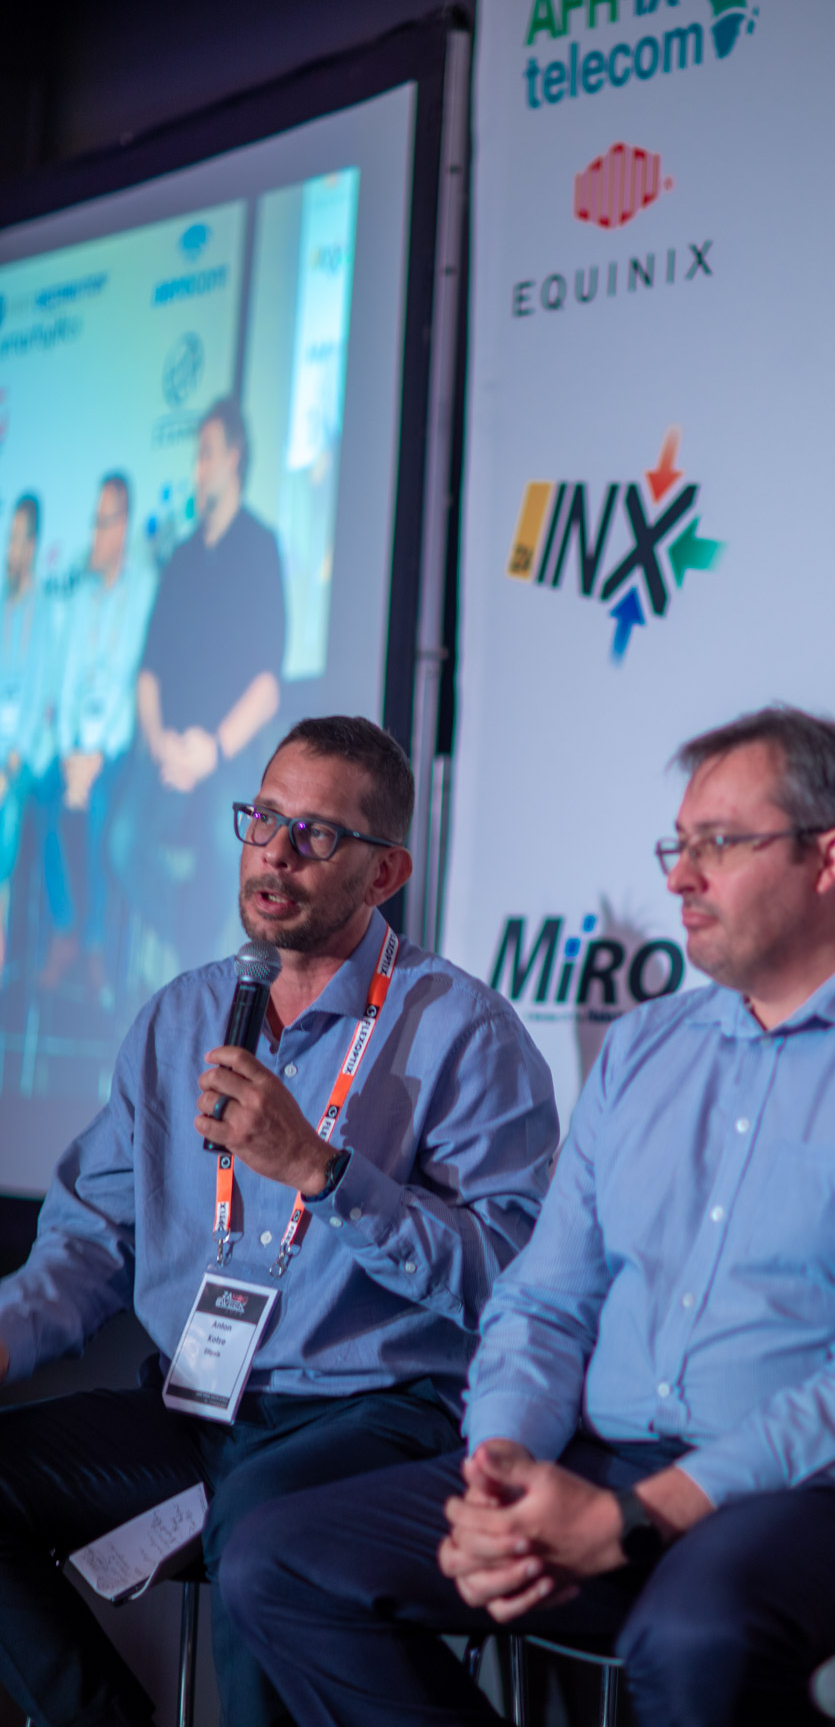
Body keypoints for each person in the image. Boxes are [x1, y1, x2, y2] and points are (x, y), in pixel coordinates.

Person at [222, 705, 835, 1727]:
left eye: (718, 845)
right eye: (678, 845)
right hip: (614, 1466)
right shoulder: (646, 1048)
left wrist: (631, 1519)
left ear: (829, 859)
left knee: (693, 1631)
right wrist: (502, 1469)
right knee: (277, 1560)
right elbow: (545, 1302)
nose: (680, 878)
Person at [0, 713, 558, 1727]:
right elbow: (89, 1241)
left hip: (372, 1416)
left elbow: (510, 1279)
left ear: (385, 874)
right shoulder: (180, 1017)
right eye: (263, 819)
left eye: (317, 835)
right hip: (195, 1408)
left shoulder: (465, 1033)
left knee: (264, 1533)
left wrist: (322, 1171)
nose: (276, 854)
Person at [110, 396, 286, 969]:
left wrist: (209, 750)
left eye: (207, 454)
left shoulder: (260, 548)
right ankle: (194, 949)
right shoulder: (181, 559)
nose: (198, 468)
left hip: (223, 753)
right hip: (168, 754)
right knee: (124, 839)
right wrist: (161, 742)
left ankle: (202, 960)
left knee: (221, 834)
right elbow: (148, 673)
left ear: (234, 457)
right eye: (196, 457)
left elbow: (267, 686)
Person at [37, 473, 155, 995]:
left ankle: (95, 944)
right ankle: (65, 929)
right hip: (75, 750)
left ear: (123, 526)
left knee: (102, 812)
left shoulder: (142, 588)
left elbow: (132, 680)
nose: (95, 534)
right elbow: (65, 682)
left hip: (115, 747)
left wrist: (96, 757)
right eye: (94, 522)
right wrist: (69, 756)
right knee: (42, 798)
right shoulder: (82, 595)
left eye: (104, 523)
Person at [0, 493, 54, 974]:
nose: (9, 549)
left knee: (10, 802)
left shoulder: (45, 611)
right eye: (8, 538)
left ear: (33, 545)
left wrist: (10, 763)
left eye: (17, 539)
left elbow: (38, 702)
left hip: (25, 758)